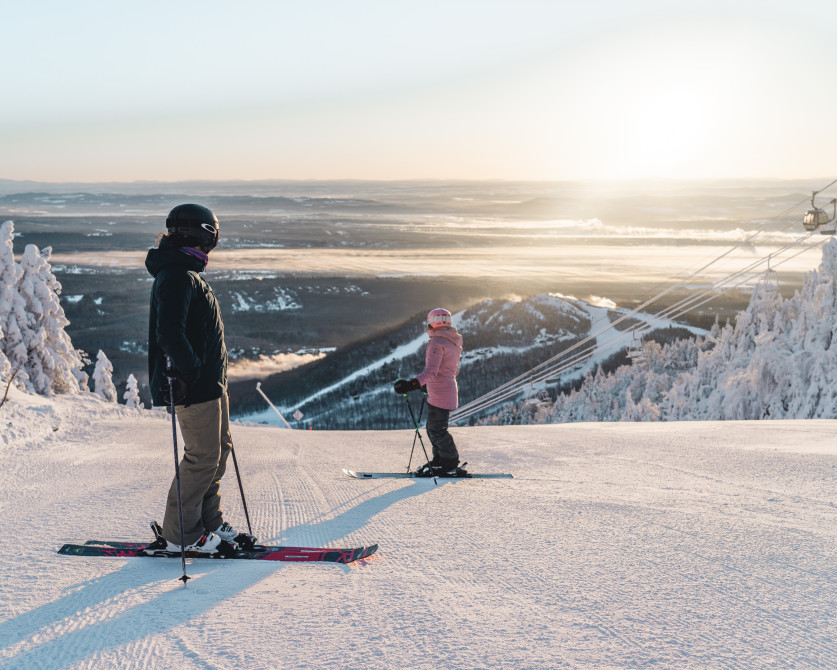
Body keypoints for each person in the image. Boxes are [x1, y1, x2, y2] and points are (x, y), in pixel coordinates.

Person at [143, 204, 254, 555]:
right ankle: (182, 536)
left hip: (208, 384)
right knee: (201, 458)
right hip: (193, 386)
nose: (211, 246)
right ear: (201, 235)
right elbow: (170, 333)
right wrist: (189, 373)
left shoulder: (184, 272)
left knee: (216, 456)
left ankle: (209, 522)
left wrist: (212, 377)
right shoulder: (176, 275)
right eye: (212, 238)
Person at [393, 308, 465, 477]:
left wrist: (411, 384)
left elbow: (432, 371)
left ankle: (449, 462)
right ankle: (440, 460)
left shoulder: (437, 342)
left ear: (432, 322)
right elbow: (452, 370)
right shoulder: (452, 341)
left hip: (440, 392)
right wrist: (425, 384)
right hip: (444, 389)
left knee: (436, 429)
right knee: (434, 428)